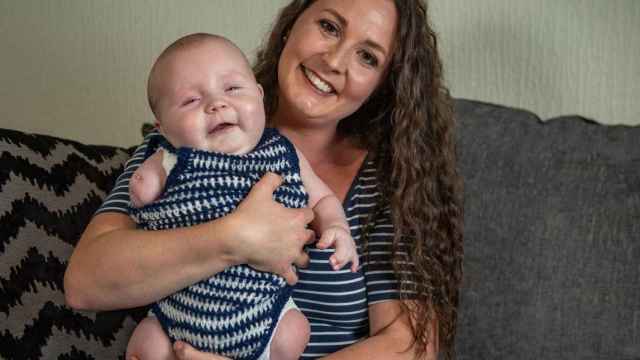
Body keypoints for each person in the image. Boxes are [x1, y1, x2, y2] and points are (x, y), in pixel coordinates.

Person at [64, 0, 463, 359]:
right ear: (291, 24)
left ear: (382, 85)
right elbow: (85, 283)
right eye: (329, 27)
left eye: (367, 57)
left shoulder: (391, 183)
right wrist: (235, 238)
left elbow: (410, 348)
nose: (335, 60)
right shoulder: (182, 143)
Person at [125, 33, 359, 360]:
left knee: (294, 331)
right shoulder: (171, 158)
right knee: (147, 344)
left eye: (233, 89)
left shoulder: (283, 154)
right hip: (178, 313)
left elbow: (321, 199)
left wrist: (337, 227)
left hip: (262, 313)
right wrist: (144, 182)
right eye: (191, 100)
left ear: (259, 96)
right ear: (162, 128)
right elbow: (142, 191)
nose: (217, 104)